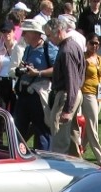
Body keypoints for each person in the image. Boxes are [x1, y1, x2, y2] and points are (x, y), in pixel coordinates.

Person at [13, 19, 56, 150]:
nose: (23, 34)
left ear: (35, 34)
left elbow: (57, 69)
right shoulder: (27, 49)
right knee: (18, 130)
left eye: (26, 32)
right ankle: (18, 156)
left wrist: (38, 73)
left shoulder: (49, 49)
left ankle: (43, 159)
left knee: (41, 130)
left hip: (39, 94)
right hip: (24, 93)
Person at [47, 16, 85, 154]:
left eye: (49, 35)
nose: (49, 39)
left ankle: (59, 168)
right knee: (71, 134)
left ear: (58, 31)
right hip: (72, 94)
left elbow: (72, 80)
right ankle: (77, 167)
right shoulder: (71, 46)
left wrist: (67, 109)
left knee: (59, 137)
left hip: (66, 94)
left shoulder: (67, 50)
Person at [78, 35, 101, 165]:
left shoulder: (100, 60)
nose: (95, 46)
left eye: (98, 43)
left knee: (88, 127)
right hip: (87, 93)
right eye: (92, 43)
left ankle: (79, 149)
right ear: (87, 44)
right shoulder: (83, 57)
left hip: (98, 96)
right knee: (93, 127)